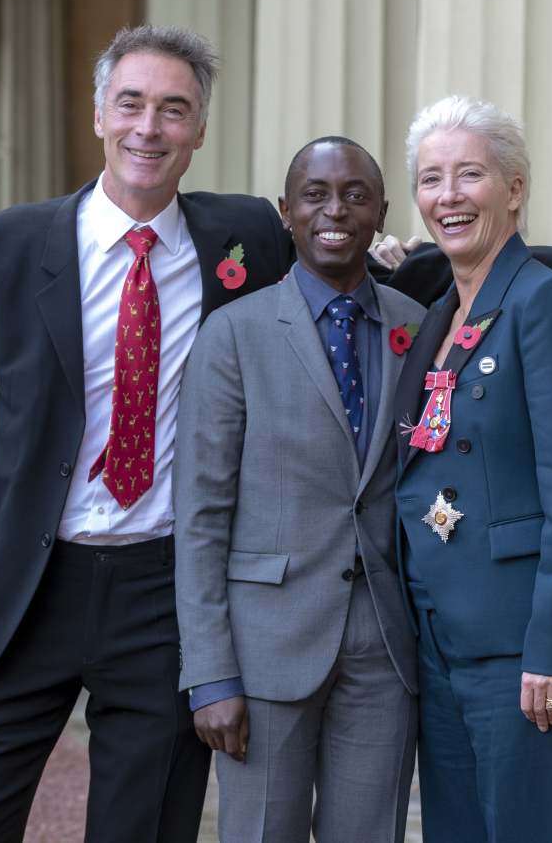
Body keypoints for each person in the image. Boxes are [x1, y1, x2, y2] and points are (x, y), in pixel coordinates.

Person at [0, 25, 310, 842]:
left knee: (145, 827)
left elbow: (356, 260)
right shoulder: (1, 249)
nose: (148, 128)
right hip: (22, 589)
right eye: (130, 103)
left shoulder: (244, 239)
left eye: (174, 110)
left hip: (165, 596)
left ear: (199, 132)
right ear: (98, 114)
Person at [172, 136, 425, 842]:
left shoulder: (419, 328)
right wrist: (211, 676)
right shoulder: (233, 335)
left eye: (354, 194)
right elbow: (200, 517)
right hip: (262, 653)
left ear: (380, 212)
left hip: (383, 648)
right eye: (315, 194)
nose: (334, 210)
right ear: (286, 212)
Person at [393, 95, 552, 843]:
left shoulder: (546, 304)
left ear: (514, 188)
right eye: (431, 179)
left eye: (469, 175)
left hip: (524, 647)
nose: (447, 196)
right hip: (440, 638)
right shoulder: (437, 313)